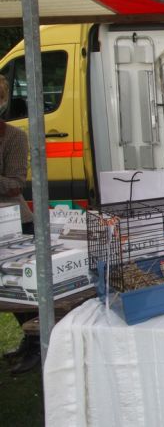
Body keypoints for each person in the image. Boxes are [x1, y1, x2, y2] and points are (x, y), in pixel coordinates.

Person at [0, 77, 39, 373]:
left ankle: (36, 345)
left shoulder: (14, 136)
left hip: (13, 223)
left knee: (21, 291)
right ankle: (29, 341)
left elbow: (15, 184)